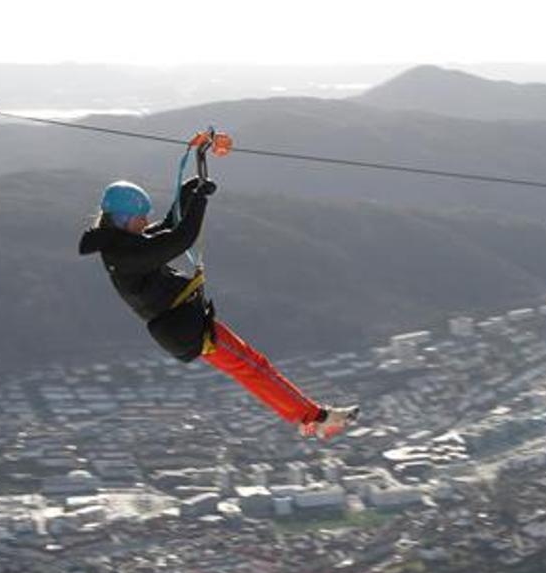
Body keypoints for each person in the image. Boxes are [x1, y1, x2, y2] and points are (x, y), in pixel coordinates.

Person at [78, 176, 357, 439]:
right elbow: (179, 239)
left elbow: (167, 227)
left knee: (250, 365)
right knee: (251, 366)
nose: (146, 222)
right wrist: (199, 201)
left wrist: (187, 193)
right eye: (141, 218)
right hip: (187, 327)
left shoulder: (123, 244)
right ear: (124, 220)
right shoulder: (125, 254)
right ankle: (314, 418)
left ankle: (307, 417)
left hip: (184, 323)